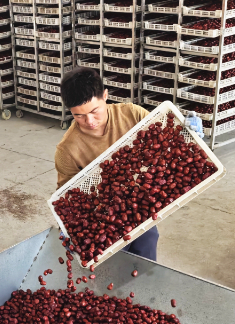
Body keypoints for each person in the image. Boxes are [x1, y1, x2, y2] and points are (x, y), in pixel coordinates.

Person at [54, 67, 159, 261]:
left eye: (94, 111)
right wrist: (70, 225)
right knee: (109, 262)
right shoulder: (67, 150)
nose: (89, 121)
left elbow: (163, 136)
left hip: (138, 200)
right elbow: (68, 196)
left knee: (147, 244)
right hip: (101, 212)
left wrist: (187, 128)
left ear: (105, 95)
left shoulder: (132, 115)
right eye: (78, 115)